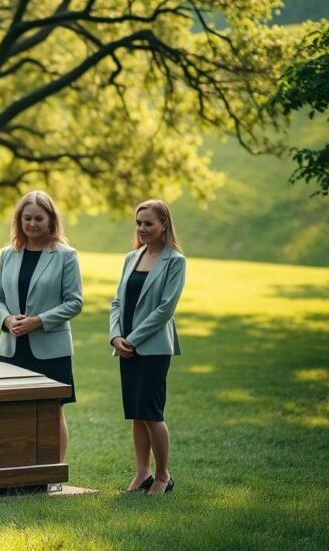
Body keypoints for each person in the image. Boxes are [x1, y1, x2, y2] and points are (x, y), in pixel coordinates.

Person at [0, 191, 83, 463]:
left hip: (51, 348)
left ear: (51, 220)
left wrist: (38, 321)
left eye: (38, 218)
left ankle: (54, 470)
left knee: (53, 410)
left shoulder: (66, 255)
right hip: (12, 346)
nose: (32, 224)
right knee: (12, 410)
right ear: (19, 220)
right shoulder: (8, 254)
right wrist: (6, 320)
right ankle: (16, 467)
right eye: (26, 218)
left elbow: (75, 302)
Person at [109, 199, 186, 495]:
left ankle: (163, 477)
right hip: (125, 347)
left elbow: (166, 309)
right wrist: (116, 336)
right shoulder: (132, 257)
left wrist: (134, 338)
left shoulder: (175, 261)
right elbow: (117, 302)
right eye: (139, 223)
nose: (142, 228)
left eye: (148, 223)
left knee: (152, 413)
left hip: (152, 348)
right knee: (137, 413)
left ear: (164, 224)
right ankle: (143, 473)